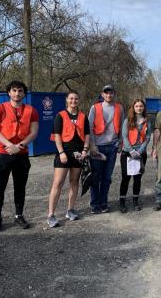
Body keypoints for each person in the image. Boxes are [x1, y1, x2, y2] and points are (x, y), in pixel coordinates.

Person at [0, 80, 39, 232]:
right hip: (4, 153)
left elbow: (34, 132)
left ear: (24, 93)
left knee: (20, 186)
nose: (17, 93)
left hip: (22, 154)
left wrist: (20, 146)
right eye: (14, 90)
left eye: (20, 91)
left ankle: (19, 216)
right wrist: (10, 145)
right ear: (9, 92)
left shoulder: (31, 110)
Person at [47, 91, 90, 228]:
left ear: (79, 100)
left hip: (78, 154)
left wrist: (85, 150)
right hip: (64, 153)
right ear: (66, 100)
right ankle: (51, 215)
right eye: (71, 98)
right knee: (58, 183)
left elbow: (87, 135)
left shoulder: (83, 116)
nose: (73, 101)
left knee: (74, 181)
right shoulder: (60, 116)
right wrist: (61, 152)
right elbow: (57, 135)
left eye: (76, 99)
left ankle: (70, 210)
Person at [88, 85, 125, 214]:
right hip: (98, 147)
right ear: (102, 94)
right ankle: (94, 204)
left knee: (107, 178)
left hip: (112, 147)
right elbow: (89, 127)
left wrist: (120, 143)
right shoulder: (95, 108)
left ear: (114, 94)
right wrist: (92, 146)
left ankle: (104, 202)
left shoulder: (119, 108)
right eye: (106, 93)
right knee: (95, 177)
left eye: (111, 93)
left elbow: (122, 127)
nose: (109, 95)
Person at [119, 99, 151, 212]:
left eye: (141, 106)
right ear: (133, 107)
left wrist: (140, 151)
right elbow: (124, 136)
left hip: (141, 154)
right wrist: (131, 151)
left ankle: (135, 200)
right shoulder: (127, 121)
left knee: (137, 178)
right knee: (126, 178)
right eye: (137, 106)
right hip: (127, 153)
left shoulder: (147, 121)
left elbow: (147, 138)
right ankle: (122, 201)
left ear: (144, 108)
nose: (139, 108)